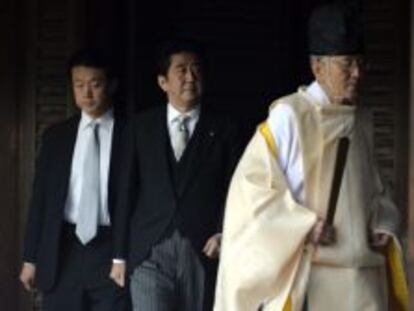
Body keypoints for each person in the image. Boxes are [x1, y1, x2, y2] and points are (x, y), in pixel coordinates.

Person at [214, 3, 408, 311]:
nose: (357, 73)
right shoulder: (289, 116)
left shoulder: (363, 119)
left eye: (361, 63)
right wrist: (302, 224)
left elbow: (376, 188)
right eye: (347, 65)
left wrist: (383, 220)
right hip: (313, 273)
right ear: (318, 67)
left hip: (365, 279)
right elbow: (250, 192)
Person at [109, 39, 243, 311]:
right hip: (149, 250)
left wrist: (222, 232)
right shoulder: (140, 127)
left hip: (202, 250)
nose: (190, 77)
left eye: (195, 70)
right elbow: (125, 192)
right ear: (163, 82)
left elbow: (236, 188)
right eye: (181, 70)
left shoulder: (225, 129)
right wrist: (119, 256)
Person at [19, 48, 130, 311]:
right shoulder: (56, 137)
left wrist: (123, 254)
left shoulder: (131, 135)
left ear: (111, 85)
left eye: (95, 84)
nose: (86, 93)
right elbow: (41, 200)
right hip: (62, 249)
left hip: (111, 249)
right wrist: (30, 258)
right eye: (79, 85)